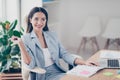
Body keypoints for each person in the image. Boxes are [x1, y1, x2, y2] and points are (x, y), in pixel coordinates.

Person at [11, 7, 98, 80]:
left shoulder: (52, 35)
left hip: (58, 72)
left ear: (46, 21)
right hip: (43, 75)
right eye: (36, 19)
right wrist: (20, 43)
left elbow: (64, 54)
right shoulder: (26, 39)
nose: (40, 23)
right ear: (30, 20)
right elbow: (30, 64)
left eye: (43, 19)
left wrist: (85, 62)